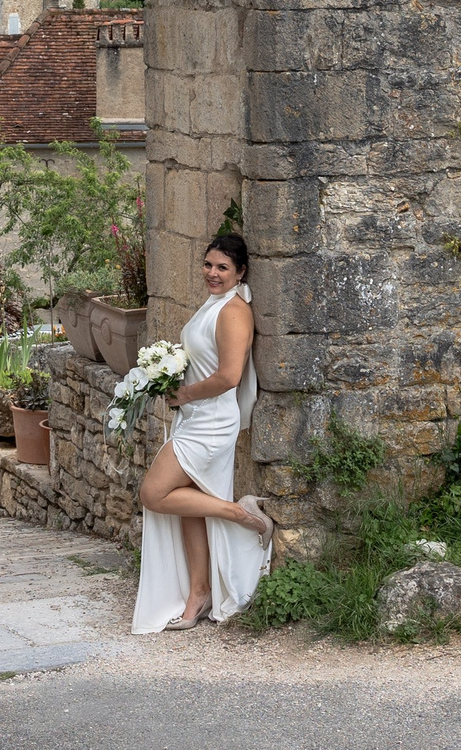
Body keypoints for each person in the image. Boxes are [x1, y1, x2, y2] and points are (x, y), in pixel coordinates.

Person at [132, 233, 274, 632]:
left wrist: (184, 393)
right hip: (195, 417)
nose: (212, 273)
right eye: (208, 264)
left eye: (222, 268)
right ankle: (199, 593)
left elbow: (229, 376)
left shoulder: (233, 311)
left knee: (154, 493)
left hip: (212, 422)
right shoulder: (214, 304)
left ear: (240, 272)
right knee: (187, 503)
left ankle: (243, 515)